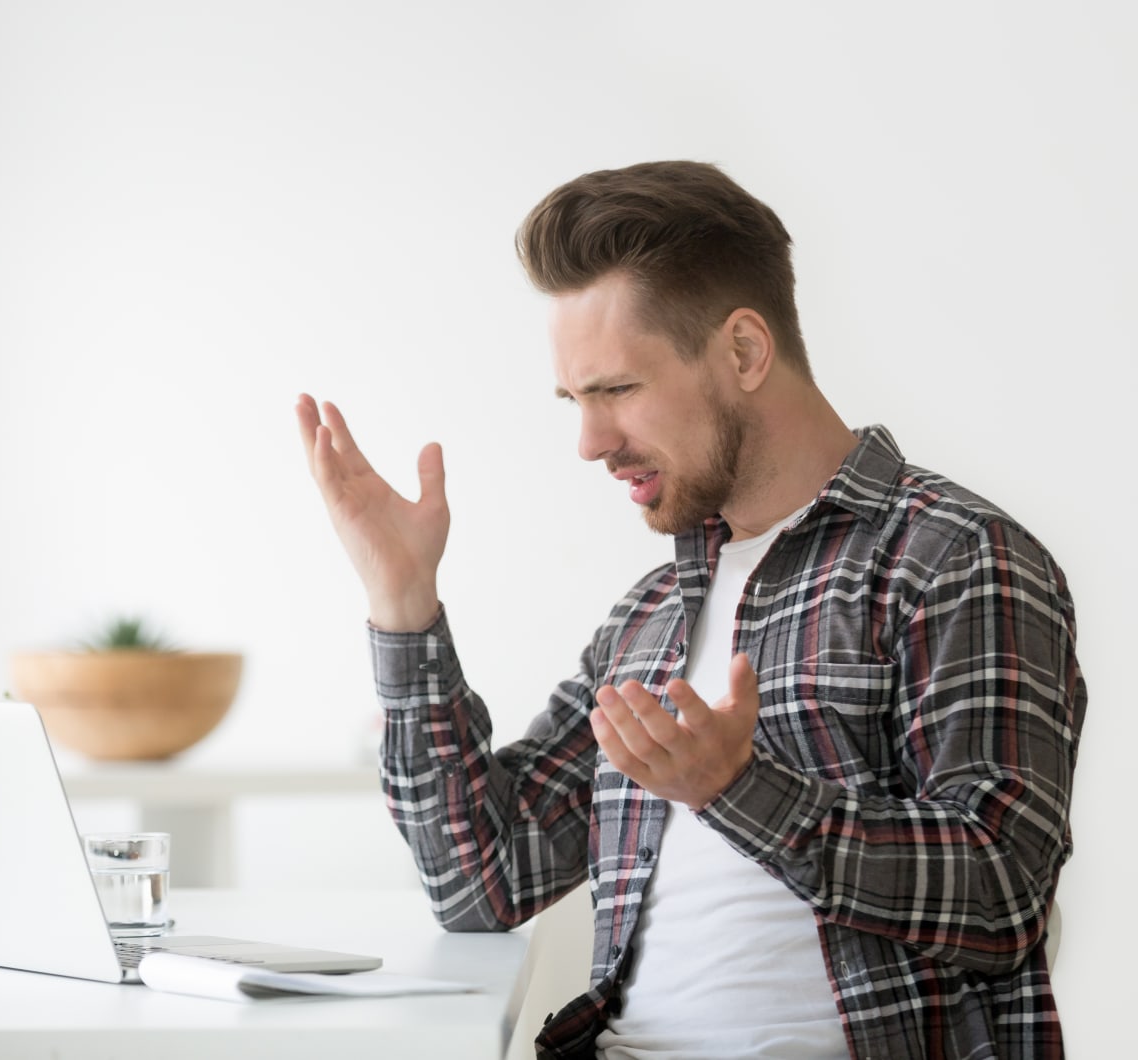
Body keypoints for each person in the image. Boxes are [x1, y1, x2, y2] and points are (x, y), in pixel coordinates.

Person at [295, 160, 1086, 1060]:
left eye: (617, 391)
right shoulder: (656, 614)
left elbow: (1003, 893)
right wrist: (403, 606)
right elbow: (483, 879)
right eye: (575, 400)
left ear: (744, 352)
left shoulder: (952, 557)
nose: (590, 443)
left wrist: (735, 788)